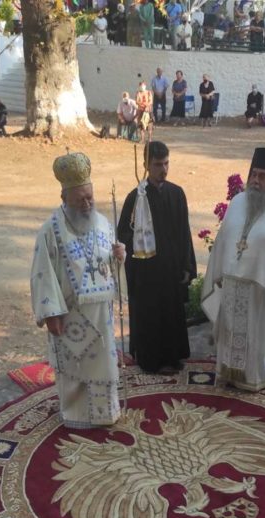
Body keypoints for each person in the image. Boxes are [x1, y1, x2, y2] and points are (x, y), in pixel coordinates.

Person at [31, 152, 125, 428]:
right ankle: (76, 416)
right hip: (70, 315)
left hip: (101, 314)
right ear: (65, 199)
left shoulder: (103, 223)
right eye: (80, 199)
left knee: (103, 366)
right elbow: (42, 272)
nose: (87, 204)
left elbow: (108, 262)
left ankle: (106, 413)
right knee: (75, 367)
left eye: (90, 198)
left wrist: (120, 256)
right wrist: (50, 313)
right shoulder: (50, 230)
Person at [201, 147, 265, 391]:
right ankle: (227, 371)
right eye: (254, 175)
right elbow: (224, 240)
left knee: (256, 337)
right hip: (232, 285)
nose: (256, 181)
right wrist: (218, 272)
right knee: (229, 335)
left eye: (263, 176)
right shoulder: (238, 202)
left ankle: (257, 376)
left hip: (261, 291)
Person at [117, 141, 195, 373]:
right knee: (150, 316)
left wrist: (187, 265)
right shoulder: (135, 198)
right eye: (158, 164)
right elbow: (124, 233)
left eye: (166, 163)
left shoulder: (176, 193)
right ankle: (151, 360)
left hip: (171, 270)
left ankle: (173, 357)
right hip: (147, 273)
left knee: (171, 313)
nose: (164, 169)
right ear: (146, 165)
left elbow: (184, 232)